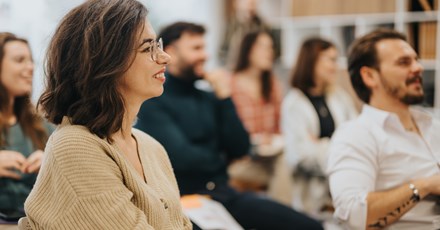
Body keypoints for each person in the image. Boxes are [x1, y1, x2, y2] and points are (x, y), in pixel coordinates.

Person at [135, 21, 323, 230]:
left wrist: (225, 98)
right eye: (196, 48)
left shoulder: (209, 97)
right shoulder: (153, 100)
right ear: (171, 52)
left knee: (309, 226)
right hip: (183, 201)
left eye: (204, 47)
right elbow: (180, 157)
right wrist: (222, 159)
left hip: (223, 194)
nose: (205, 56)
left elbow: (240, 146)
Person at [24, 0, 191, 229]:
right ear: (105, 62)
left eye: (158, 45)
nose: (165, 58)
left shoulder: (150, 146)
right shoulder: (74, 146)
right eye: (147, 48)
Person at [327, 28, 440, 229]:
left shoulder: (432, 124)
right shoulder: (356, 135)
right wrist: (425, 185)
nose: (418, 68)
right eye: (404, 62)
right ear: (370, 76)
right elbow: (352, 214)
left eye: (416, 60)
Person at [281, 37, 358, 217]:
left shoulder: (339, 96)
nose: (335, 66)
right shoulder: (293, 104)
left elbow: (356, 137)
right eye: (330, 60)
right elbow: (300, 155)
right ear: (311, 62)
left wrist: (320, 145)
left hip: (344, 189)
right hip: (311, 197)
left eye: (336, 59)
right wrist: (340, 149)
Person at [0, 32, 54, 220]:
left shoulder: (40, 123)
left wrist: (51, 161)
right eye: (19, 60)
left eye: (31, 61)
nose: (30, 67)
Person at [228, 30, 285, 195]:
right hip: (240, 160)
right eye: (263, 47)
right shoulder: (230, 84)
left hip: (270, 157)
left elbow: (279, 125)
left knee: (286, 164)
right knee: (283, 172)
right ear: (248, 50)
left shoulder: (273, 85)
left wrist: (272, 138)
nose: (270, 52)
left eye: (271, 47)